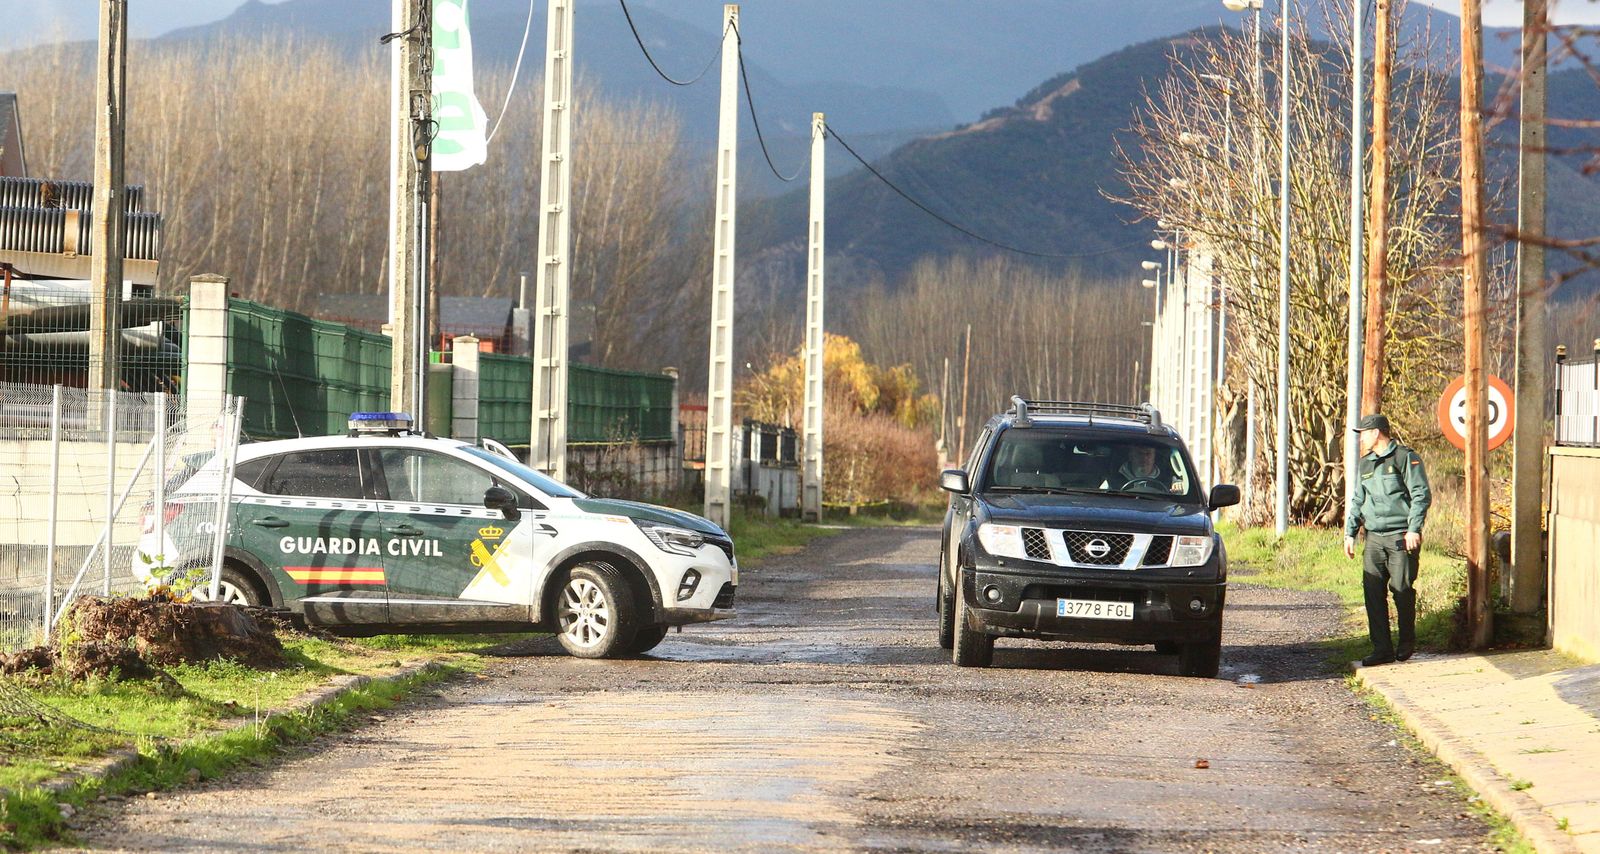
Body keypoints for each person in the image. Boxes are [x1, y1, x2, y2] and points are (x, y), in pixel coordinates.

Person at [1343, 413, 1432, 666]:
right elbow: (1359, 500)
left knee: (1402, 589)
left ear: (1377, 433)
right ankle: (1381, 648)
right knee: (1372, 592)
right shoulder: (1365, 464)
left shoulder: (1406, 458)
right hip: (1373, 537)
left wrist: (1414, 529)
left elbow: (1420, 494)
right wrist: (1350, 533)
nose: (1361, 438)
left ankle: (1406, 641)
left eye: (1364, 433)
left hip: (1400, 535)